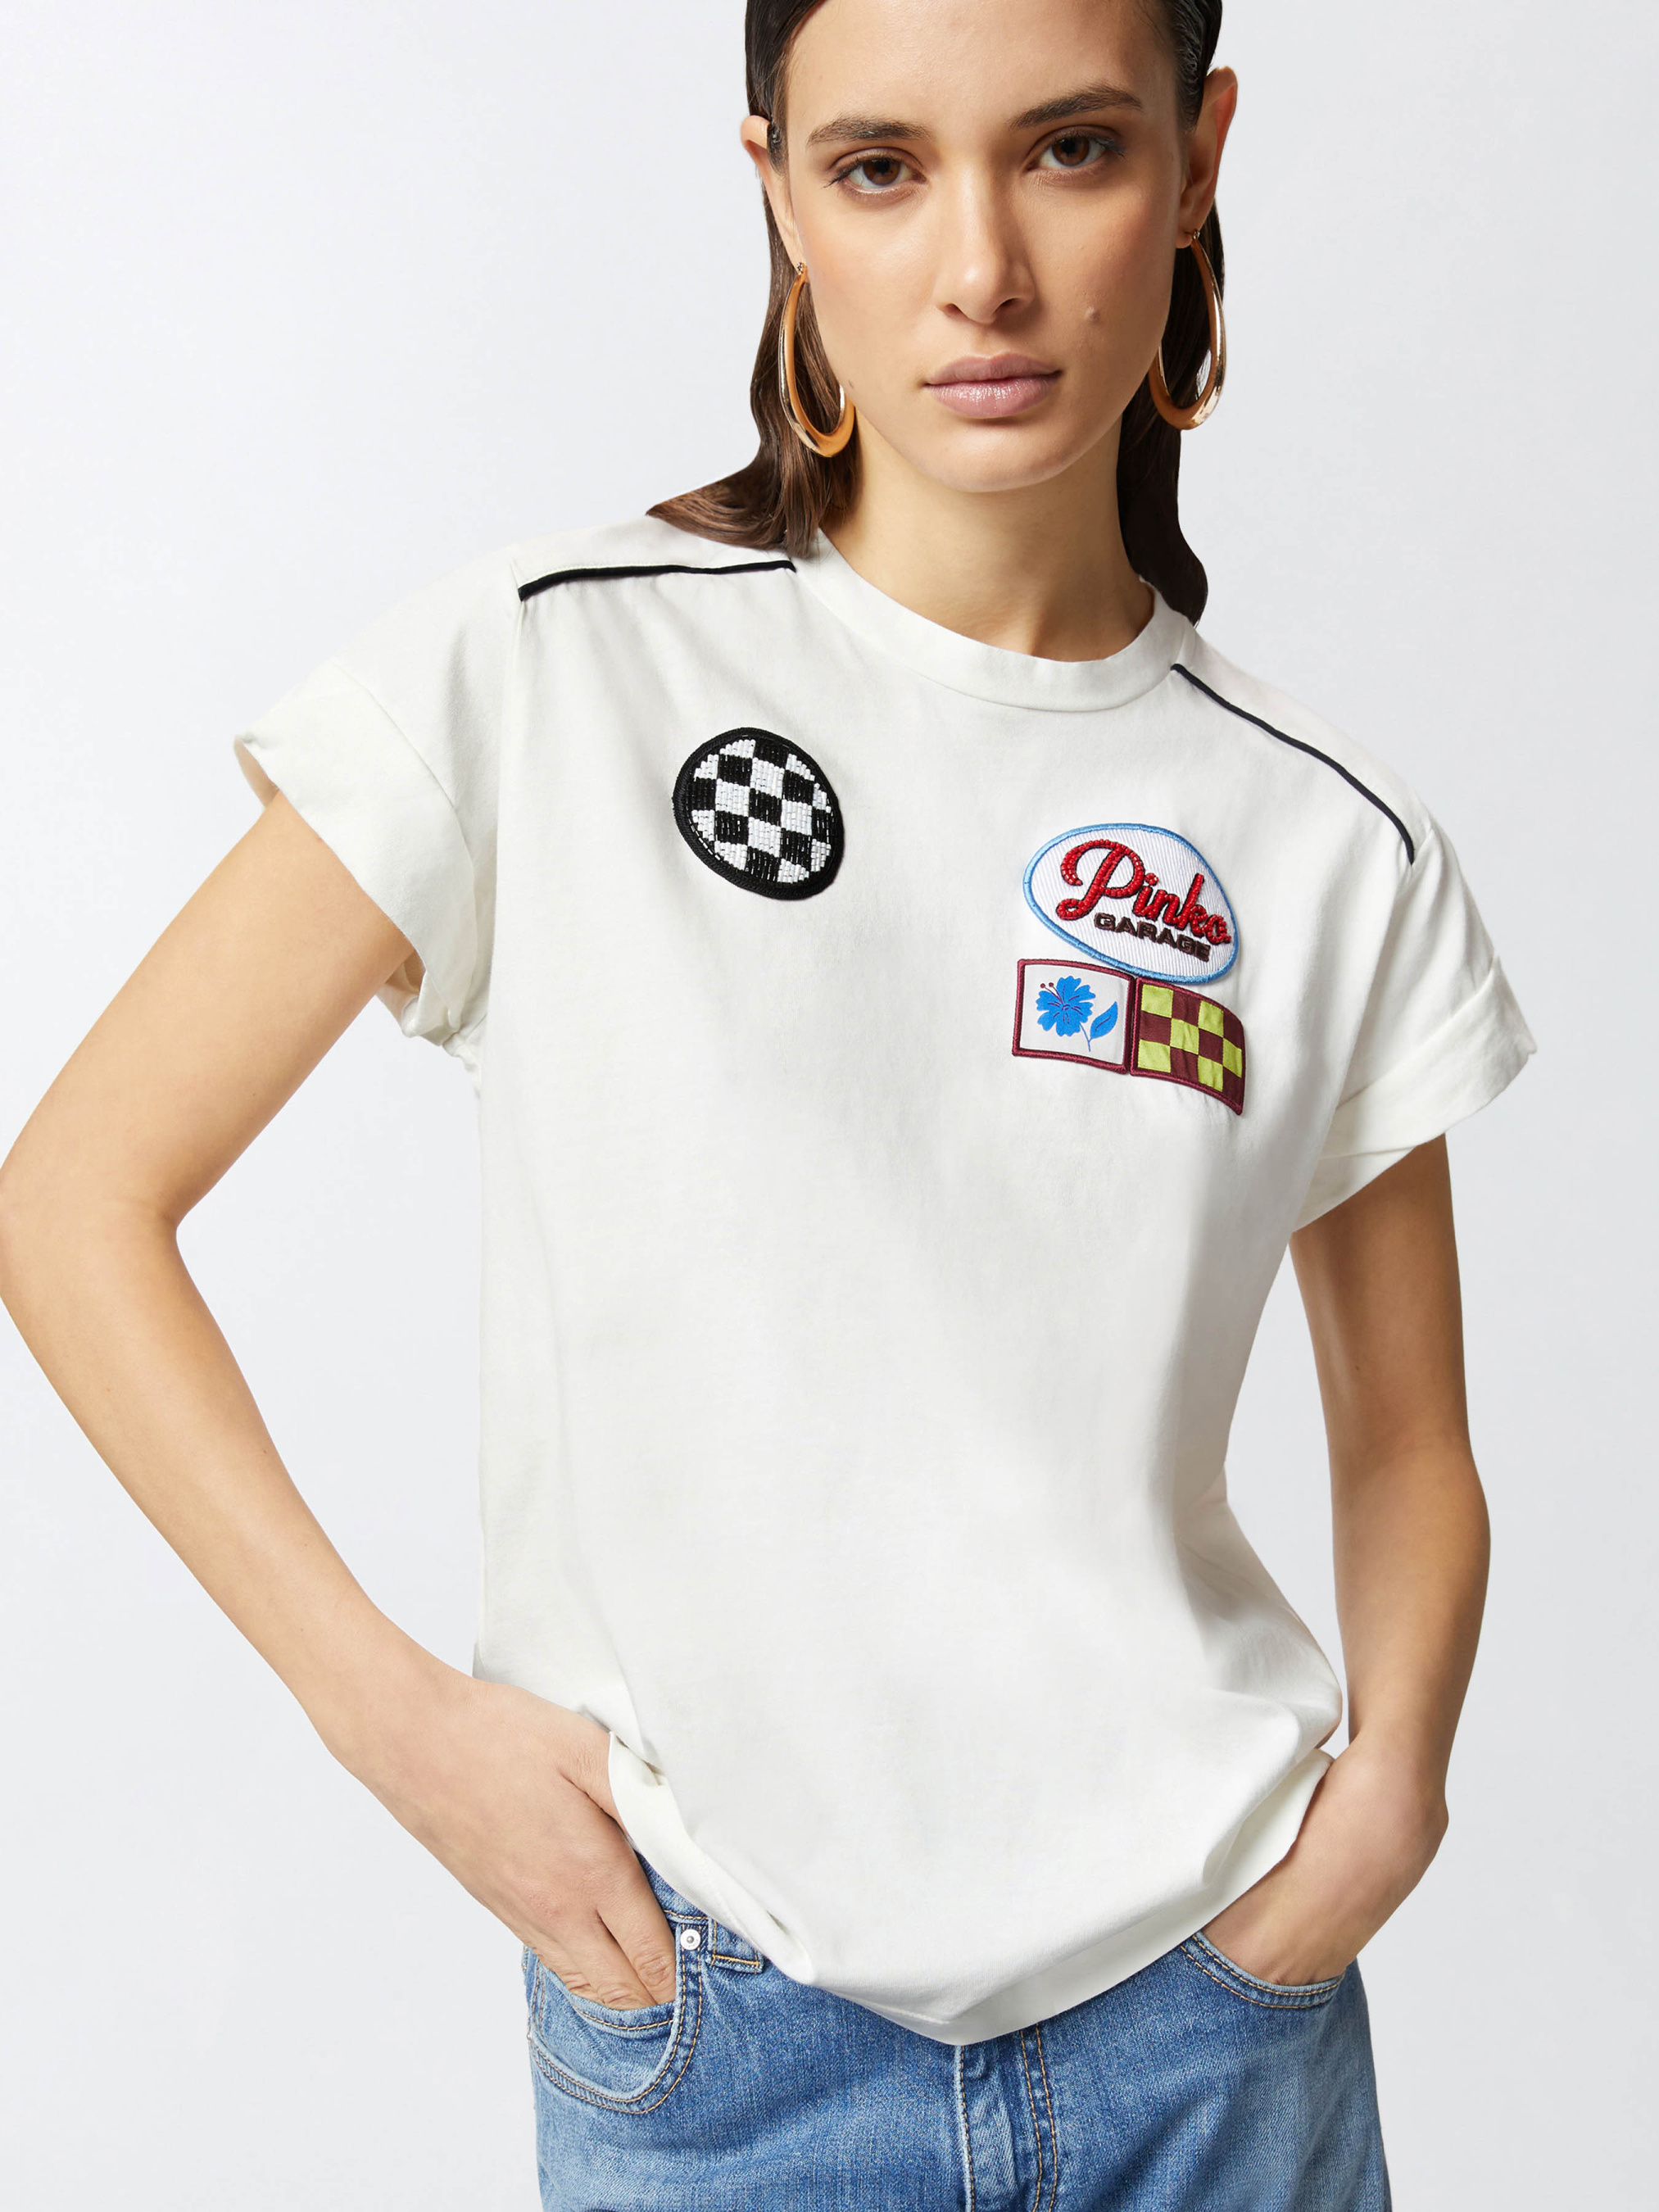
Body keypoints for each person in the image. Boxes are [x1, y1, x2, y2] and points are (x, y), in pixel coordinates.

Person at [0, 0, 1534, 2205]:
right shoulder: (549, 667)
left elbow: (1403, 1440)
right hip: (719, 2032)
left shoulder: (1319, 837)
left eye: (1072, 151)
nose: (981, 270)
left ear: (1197, 158)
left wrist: (1382, 1808)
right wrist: (392, 1719)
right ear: (779, 196)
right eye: (880, 167)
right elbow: (74, 1199)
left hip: (1215, 2031)